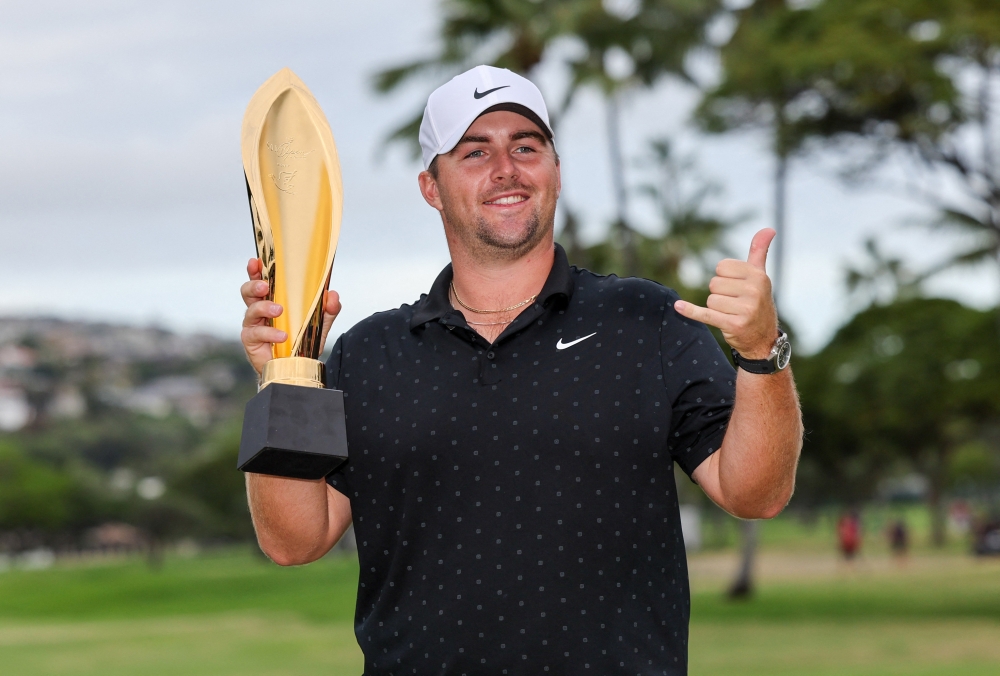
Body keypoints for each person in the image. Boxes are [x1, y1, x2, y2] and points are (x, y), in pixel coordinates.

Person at [239, 65, 803, 675]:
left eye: (526, 147)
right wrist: (285, 372)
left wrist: (760, 352)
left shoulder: (647, 321)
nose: (505, 169)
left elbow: (756, 493)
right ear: (431, 186)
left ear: (555, 172)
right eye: (475, 151)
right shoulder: (368, 353)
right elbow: (293, 541)